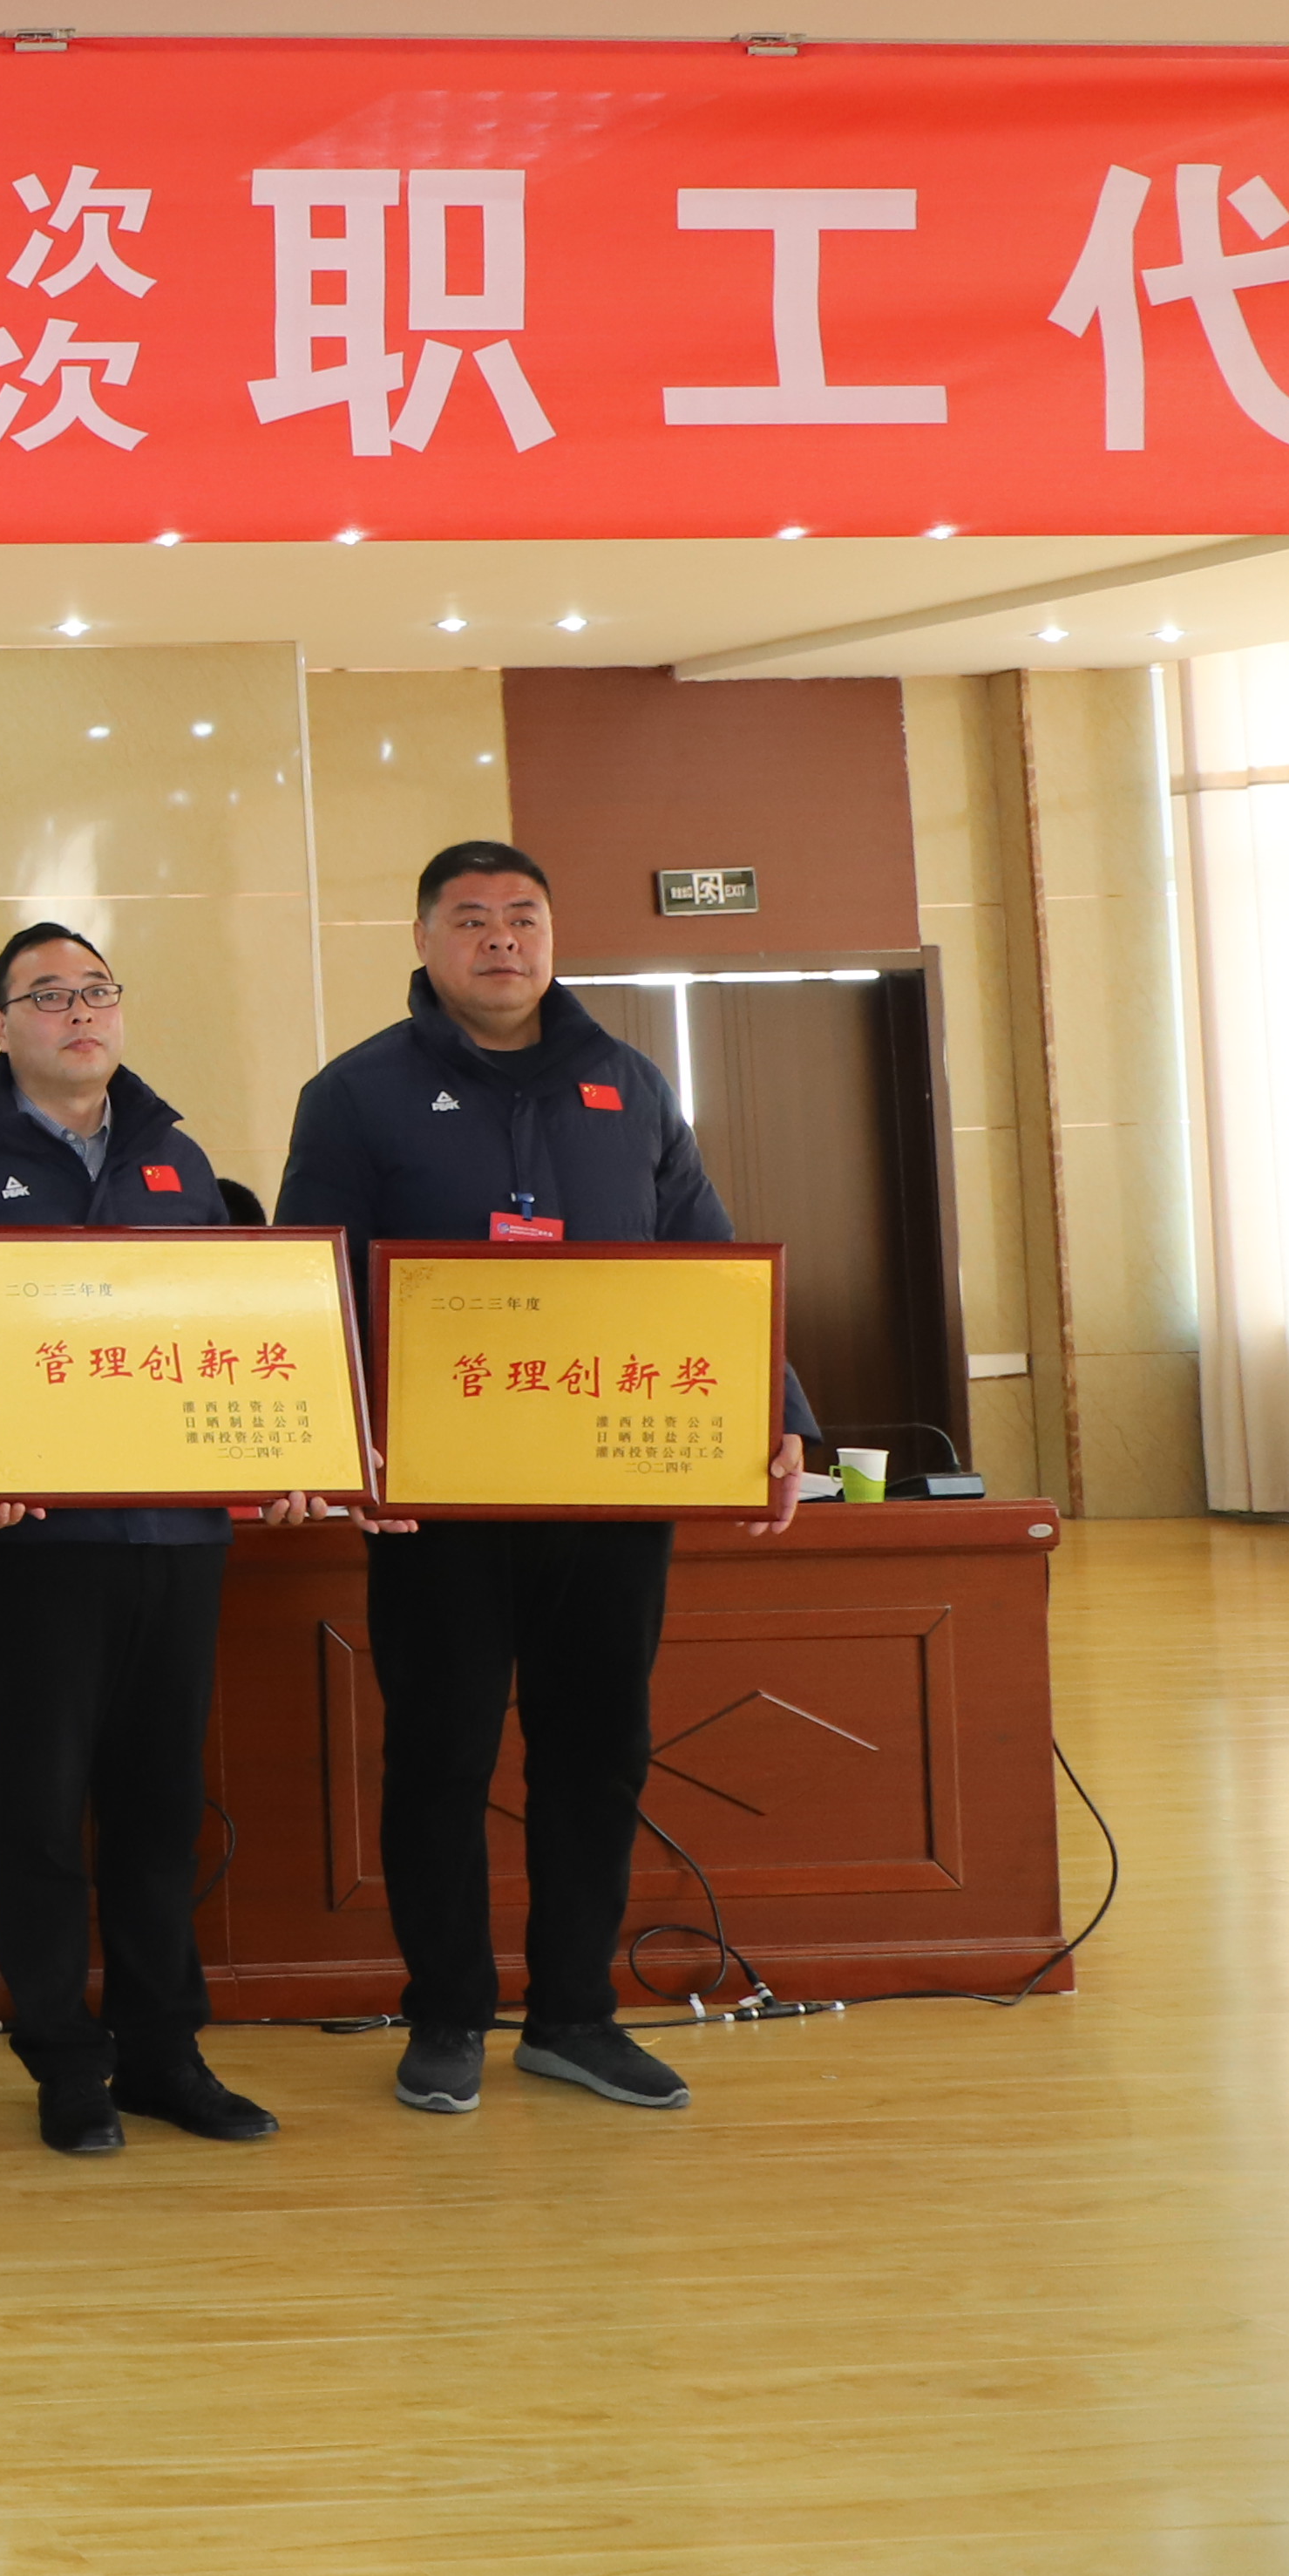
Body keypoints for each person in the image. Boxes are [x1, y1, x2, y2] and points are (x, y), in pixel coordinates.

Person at [276, 841, 807, 2121]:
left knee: (598, 1753)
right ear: (423, 941)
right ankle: (447, 2014)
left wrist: (779, 1416)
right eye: (470, 919)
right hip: (436, 1503)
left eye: (522, 916)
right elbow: (310, 1280)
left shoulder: (629, 1082)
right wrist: (327, 1444)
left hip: (605, 1489)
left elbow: (709, 1263)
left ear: (554, 938)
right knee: (441, 1757)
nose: (500, 939)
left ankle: (575, 2016)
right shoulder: (355, 1093)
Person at [0, 922, 286, 2158]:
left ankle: (164, 2053)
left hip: (178, 1533)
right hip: (38, 1544)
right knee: (43, 1808)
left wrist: (285, 1451)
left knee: (161, 1805)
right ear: (0, 1025)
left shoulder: (176, 1158)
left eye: (96, 991)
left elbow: (228, 1331)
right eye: (47, 996)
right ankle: (64, 2061)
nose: (78, 1013)